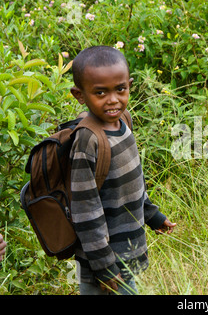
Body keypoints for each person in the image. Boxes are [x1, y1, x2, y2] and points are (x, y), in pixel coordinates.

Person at [69, 46, 176, 295]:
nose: (113, 99)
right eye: (100, 92)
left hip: (125, 250)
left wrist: (153, 216)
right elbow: (85, 211)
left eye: (120, 89)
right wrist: (104, 266)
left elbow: (134, 182)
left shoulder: (123, 121)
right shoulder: (88, 140)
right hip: (102, 261)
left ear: (129, 85)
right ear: (79, 95)